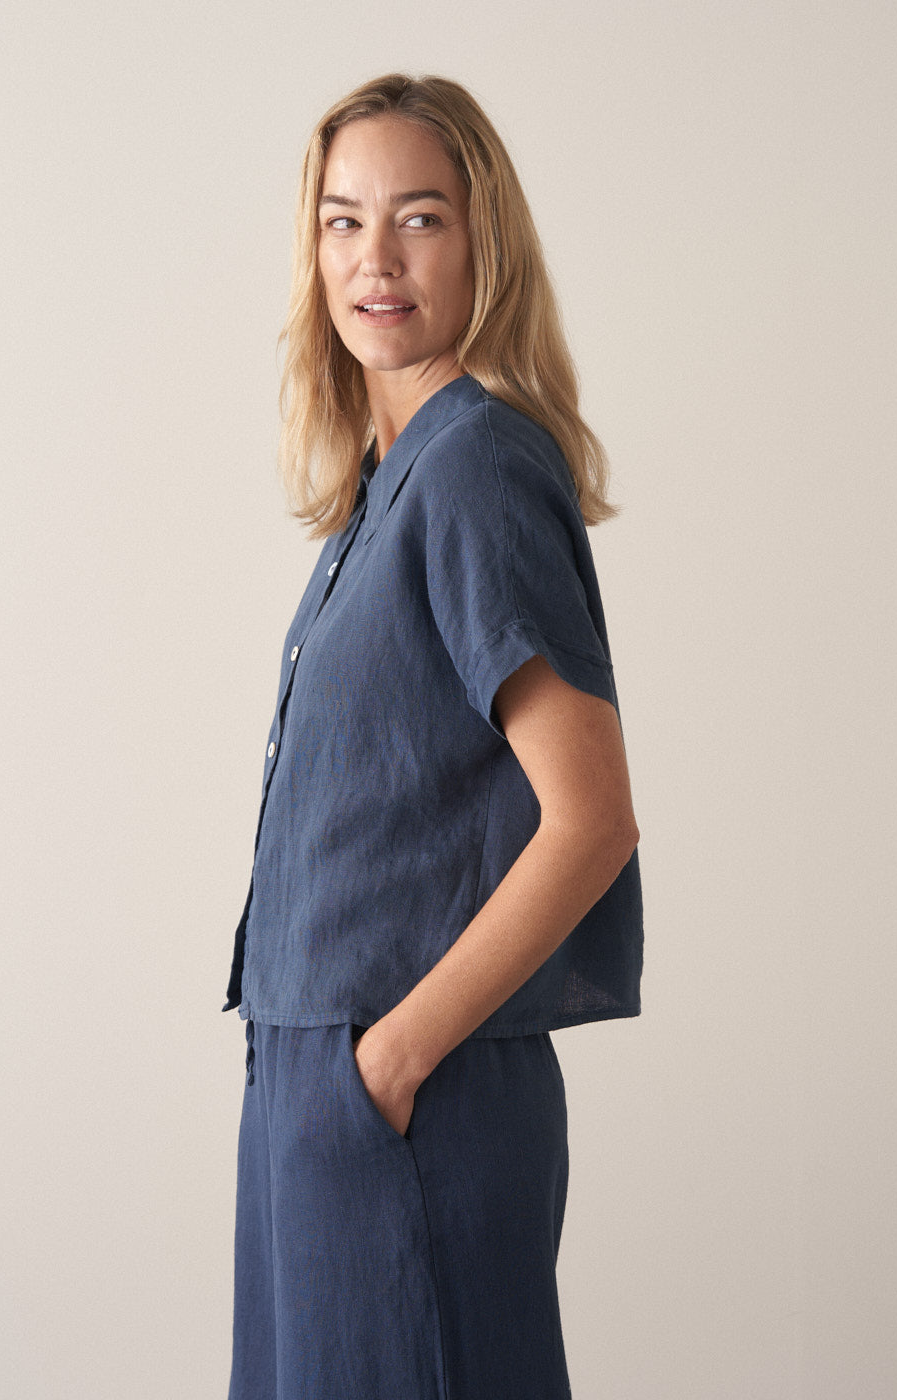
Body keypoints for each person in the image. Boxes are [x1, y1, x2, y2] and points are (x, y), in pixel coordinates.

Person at [223, 72, 643, 1400]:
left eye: (420, 218)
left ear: (483, 243)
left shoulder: (474, 470)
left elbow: (590, 821)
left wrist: (389, 1063)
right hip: (318, 1080)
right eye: (343, 221)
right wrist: (329, 1083)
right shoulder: (383, 487)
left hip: (410, 1088)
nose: (377, 259)